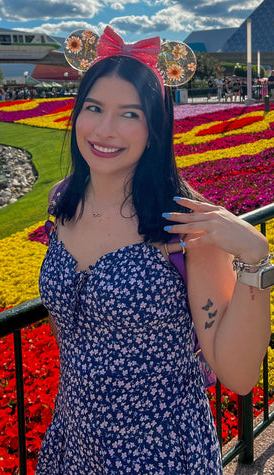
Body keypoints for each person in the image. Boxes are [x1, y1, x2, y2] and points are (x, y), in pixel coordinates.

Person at [36, 26, 271, 475]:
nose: (105, 130)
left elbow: (238, 375)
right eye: (94, 108)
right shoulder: (62, 202)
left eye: (130, 114)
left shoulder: (183, 225)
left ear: (156, 127)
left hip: (159, 452)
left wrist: (256, 260)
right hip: (75, 439)